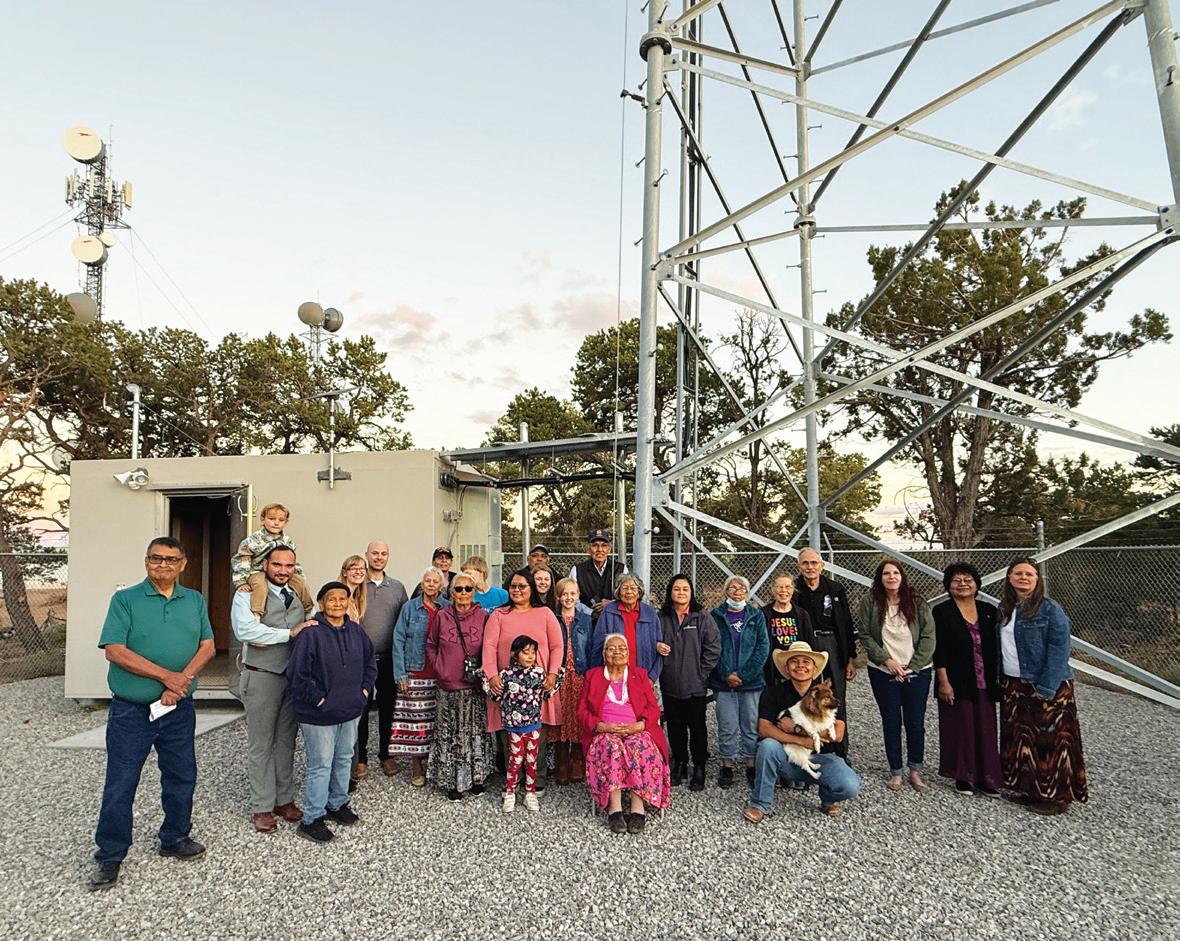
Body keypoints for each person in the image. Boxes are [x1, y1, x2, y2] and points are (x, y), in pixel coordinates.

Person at [89, 537, 215, 891]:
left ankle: (175, 837)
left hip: (178, 709)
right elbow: (114, 650)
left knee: (182, 775)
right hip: (131, 711)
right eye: (156, 558)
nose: (163, 564)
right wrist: (166, 677)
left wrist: (181, 682)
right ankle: (110, 855)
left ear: (183, 564)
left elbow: (207, 645)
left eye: (171, 559)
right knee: (121, 782)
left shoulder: (194, 600)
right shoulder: (125, 600)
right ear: (146, 562)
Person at [230, 546, 314, 833]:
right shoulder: (247, 594)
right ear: (265, 564)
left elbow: (310, 619)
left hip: (291, 677)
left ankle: (284, 799)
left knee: (286, 741)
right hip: (262, 675)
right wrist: (288, 633)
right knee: (261, 743)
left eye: (288, 566)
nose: (282, 570)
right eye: (277, 564)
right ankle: (262, 806)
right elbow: (246, 631)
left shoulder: (298, 591)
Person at [285, 582, 377, 843]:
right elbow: (298, 674)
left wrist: (363, 692)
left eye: (342, 599)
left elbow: (370, 664)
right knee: (321, 764)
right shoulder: (310, 633)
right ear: (321, 603)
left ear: (349, 602)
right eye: (331, 599)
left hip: (350, 709)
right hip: (319, 714)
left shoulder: (356, 631)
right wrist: (319, 700)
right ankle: (312, 818)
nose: (337, 603)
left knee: (344, 758)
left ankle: (337, 803)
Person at [998, 558, 1088, 815]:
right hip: (1014, 683)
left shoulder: (1050, 609)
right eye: (1018, 573)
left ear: (1037, 579)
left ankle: (1057, 797)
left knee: (1051, 742)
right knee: (1022, 739)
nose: (1023, 578)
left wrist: (1047, 686)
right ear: (1009, 577)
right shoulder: (1005, 609)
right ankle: (1031, 790)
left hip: (1047, 684)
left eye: (1029, 574)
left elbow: (1059, 649)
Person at [743, 643, 861, 823]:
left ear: (814, 668)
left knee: (850, 785)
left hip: (821, 758)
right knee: (767, 746)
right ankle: (760, 804)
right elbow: (764, 728)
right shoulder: (774, 693)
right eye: (794, 661)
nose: (800, 665)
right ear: (786, 668)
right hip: (787, 756)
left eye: (806, 661)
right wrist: (802, 741)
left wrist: (797, 729)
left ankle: (827, 799)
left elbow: (837, 733)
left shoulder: (829, 694)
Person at [577, 633, 671, 834]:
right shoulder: (593, 676)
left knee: (639, 746)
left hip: (636, 729)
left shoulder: (639, 675)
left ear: (628, 654)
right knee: (611, 747)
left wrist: (640, 725)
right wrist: (600, 726)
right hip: (604, 731)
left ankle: (638, 807)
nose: (617, 652)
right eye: (611, 649)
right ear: (604, 654)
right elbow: (582, 711)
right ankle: (615, 807)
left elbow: (653, 708)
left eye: (622, 649)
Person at [857, 559, 936, 793]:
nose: (891, 577)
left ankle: (915, 770)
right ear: (879, 578)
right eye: (886, 574)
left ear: (902, 576)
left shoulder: (917, 602)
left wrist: (913, 666)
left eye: (895, 573)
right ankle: (896, 771)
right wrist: (886, 660)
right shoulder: (870, 602)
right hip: (883, 671)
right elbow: (865, 634)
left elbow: (928, 635)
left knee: (915, 722)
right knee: (891, 721)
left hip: (917, 670)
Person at [482, 569, 564, 792]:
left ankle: (536, 780)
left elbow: (557, 646)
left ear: (531, 589)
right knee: (509, 736)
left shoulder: (545, 613)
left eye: (522, 586)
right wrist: (492, 675)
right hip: (507, 688)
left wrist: (552, 674)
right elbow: (488, 646)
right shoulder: (499, 615)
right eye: (513, 586)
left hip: (538, 688)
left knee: (537, 736)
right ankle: (513, 779)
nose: (517, 590)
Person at [933, 562, 1001, 797]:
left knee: (986, 728)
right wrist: (943, 682)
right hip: (956, 680)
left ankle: (987, 777)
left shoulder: (989, 610)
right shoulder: (942, 611)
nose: (962, 584)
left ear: (976, 583)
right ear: (948, 585)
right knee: (960, 727)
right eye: (956, 580)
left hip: (985, 680)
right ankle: (963, 776)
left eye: (968, 579)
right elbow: (939, 649)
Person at [425, 571, 493, 801]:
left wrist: (484, 669)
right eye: (458, 589)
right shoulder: (442, 616)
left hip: (473, 686)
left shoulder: (483, 616)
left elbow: (490, 647)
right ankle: (452, 781)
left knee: (474, 733)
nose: (463, 593)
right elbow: (431, 644)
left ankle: (476, 778)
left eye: (468, 589)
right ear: (451, 592)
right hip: (447, 686)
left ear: (474, 592)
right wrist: (440, 667)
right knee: (450, 733)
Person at [658, 574, 721, 791]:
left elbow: (713, 647)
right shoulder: (662, 617)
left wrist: (701, 674)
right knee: (675, 727)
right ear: (670, 592)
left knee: (697, 727)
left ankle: (699, 765)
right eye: (677, 589)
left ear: (691, 592)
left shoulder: (701, 617)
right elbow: (652, 640)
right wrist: (657, 646)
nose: (681, 593)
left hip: (695, 686)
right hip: (670, 684)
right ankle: (680, 763)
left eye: (685, 589)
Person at [793, 549, 857, 759]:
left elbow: (847, 625)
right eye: (805, 563)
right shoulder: (794, 590)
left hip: (832, 643)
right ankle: (809, 747)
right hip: (806, 645)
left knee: (835, 697)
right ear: (799, 566)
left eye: (814, 563)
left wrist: (850, 658)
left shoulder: (835, 589)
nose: (810, 567)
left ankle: (839, 751)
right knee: (807, 695)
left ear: (822, 565)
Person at [486, 635, 561, 813]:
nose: (530, 656)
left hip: (533, 724)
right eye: (525, 652)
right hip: (513, 726)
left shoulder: (539, 673)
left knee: (531, 760)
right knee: (515, 759)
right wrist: (484, 678)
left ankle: (530, 793)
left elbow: (546, 695)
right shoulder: (506, 674)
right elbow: (496, 696)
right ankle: (510, 792)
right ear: (515, 654)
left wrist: (558, 680)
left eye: (533, 652)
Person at [709, 575, 770, 788]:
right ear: (726, 591)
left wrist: (744, 674)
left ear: (747, 591)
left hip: (751, 682)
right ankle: (727, 764)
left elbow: (763, 647)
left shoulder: (756, 616)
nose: (737, 591)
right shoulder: (715, 616)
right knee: (727, 724)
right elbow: (711, 646)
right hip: (723, 682)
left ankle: (750, 764)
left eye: (741, 587)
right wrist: (726, 674)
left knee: (750, 725)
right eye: (732, 588)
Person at [355, 540, 408, 779]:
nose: (378, 557)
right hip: (361, 661)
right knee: (361, 709)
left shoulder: (397, 587)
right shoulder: (357, 585)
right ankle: (360, 758)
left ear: (388, 556)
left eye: (383, 553)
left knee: (388, 708)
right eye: (374, 553)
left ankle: (387, 754)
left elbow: (404, 623)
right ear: (366, 555)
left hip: (388, 659)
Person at [392, 566, 447, 786]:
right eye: (427, 581)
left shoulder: (447, 608)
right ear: (422, 584)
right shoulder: (409, 608)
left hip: (440, 673)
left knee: (436, 720)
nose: (431, 584)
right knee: (415, 721)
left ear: (441, 585)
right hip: (415, 671)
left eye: (435, 581)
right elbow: (398, 639)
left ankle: (434, 762)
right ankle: (416, 764)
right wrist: (400, 673)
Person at [231, 503, 312, 618]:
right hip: (256, 571)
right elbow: (242, 559)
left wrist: (299, 574)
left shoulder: (287, 541)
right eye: (272, 519)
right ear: (263, 519)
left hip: (280, 572)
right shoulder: (253, 540)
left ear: (286, 522)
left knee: (301, 583)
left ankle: (309, 611)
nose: (276, 523)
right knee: (260, 585)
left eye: (281, 520)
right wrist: (241, 581)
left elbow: (292, 561)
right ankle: (257, 613)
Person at [553, 577, 593, 784]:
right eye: (564, 594)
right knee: (561, 715)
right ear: (558, 597)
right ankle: (561, 759)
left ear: (578, 596)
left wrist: (590, 673)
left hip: (579, 673)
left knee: (577, 715)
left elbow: (590, 647)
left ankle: (577, 759)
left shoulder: (585, 619)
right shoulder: (553, 618)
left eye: (572, 594)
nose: (568, 598)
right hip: (560, 674)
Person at [589, 574, 664, 683]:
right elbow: (598, 645)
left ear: (639, 592)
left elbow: (660, 649)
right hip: (614, 676)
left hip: (643, 677)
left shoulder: (650, 613)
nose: (629, 592)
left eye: (633, 588)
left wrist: (652, 678)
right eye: (624, 588)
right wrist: (596, 676)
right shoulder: (609, 611)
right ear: (618, 592)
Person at [760, 575, 815, 687]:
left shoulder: (802, 615)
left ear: (793, 590)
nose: (783, 590)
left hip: (796, 670)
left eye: (787, 587)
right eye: (779, 587)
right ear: (773, 589)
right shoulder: (762, 614)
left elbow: (810, 644)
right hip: (771, 671)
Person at [569, 529, 626, 618]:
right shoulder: (577, 570)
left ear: (609, 549)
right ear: (588, 549)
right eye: (595, 545)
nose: (600, 550)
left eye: (604, 546)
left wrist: (611, 604)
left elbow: (627, 596)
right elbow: (572, 599)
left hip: (614, 618)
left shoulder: (621, 569)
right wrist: (591, 613)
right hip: (586, 620)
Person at [338, 555, 369, 623]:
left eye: (361, 568)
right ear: (344, 573)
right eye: (353, 569)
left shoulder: (354, 600)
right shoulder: (339, 598)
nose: (358, 572)